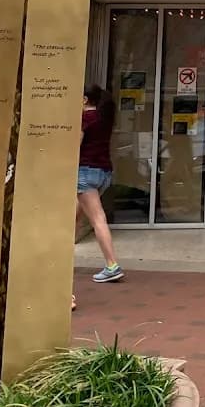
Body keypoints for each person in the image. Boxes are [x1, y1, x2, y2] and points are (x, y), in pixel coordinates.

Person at [73, 85, 124, 309]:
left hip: (85, 172)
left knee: (97, 219)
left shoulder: (86, 118)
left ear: (84, 99)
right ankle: (59, 262)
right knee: (72, 218)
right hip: (103, 173)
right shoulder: (104, 118)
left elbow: (76, 144)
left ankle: (112, 266)